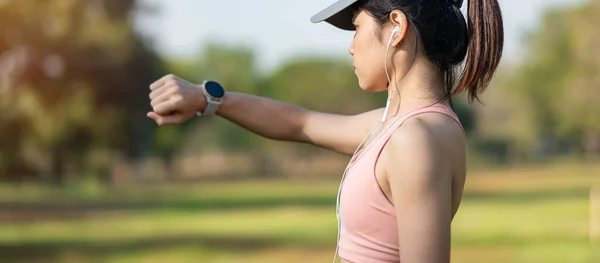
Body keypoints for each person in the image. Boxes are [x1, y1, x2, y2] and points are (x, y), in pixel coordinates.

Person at [147, 0, 503, 262]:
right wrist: (206, 98)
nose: (351, 46)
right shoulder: (400, 128)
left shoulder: (415, 140)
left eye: (357, 27)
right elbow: (299, 123)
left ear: (396, 26)